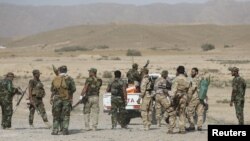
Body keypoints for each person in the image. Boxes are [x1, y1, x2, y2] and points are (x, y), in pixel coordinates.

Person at [50, 65, 76, 135]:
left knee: (56, 115)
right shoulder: (70, 79)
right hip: (66, 99)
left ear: (59, 70)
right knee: (66, 115)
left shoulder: (55, 79)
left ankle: (55, 130)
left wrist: (51, 98)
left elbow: (52, 89)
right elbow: (73, 89)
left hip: (57, 99)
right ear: (66, 71)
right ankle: (65, 130)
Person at [170, 66, 190, 134]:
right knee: (182, 113)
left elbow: (174, 89)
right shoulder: (187, 79)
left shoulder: (176, 79)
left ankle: (171, 129)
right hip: (184, 97)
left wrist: (172, 98)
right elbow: (188, 90)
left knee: (173, 112)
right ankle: (182, 129)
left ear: (177, 71)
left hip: (177, 97)